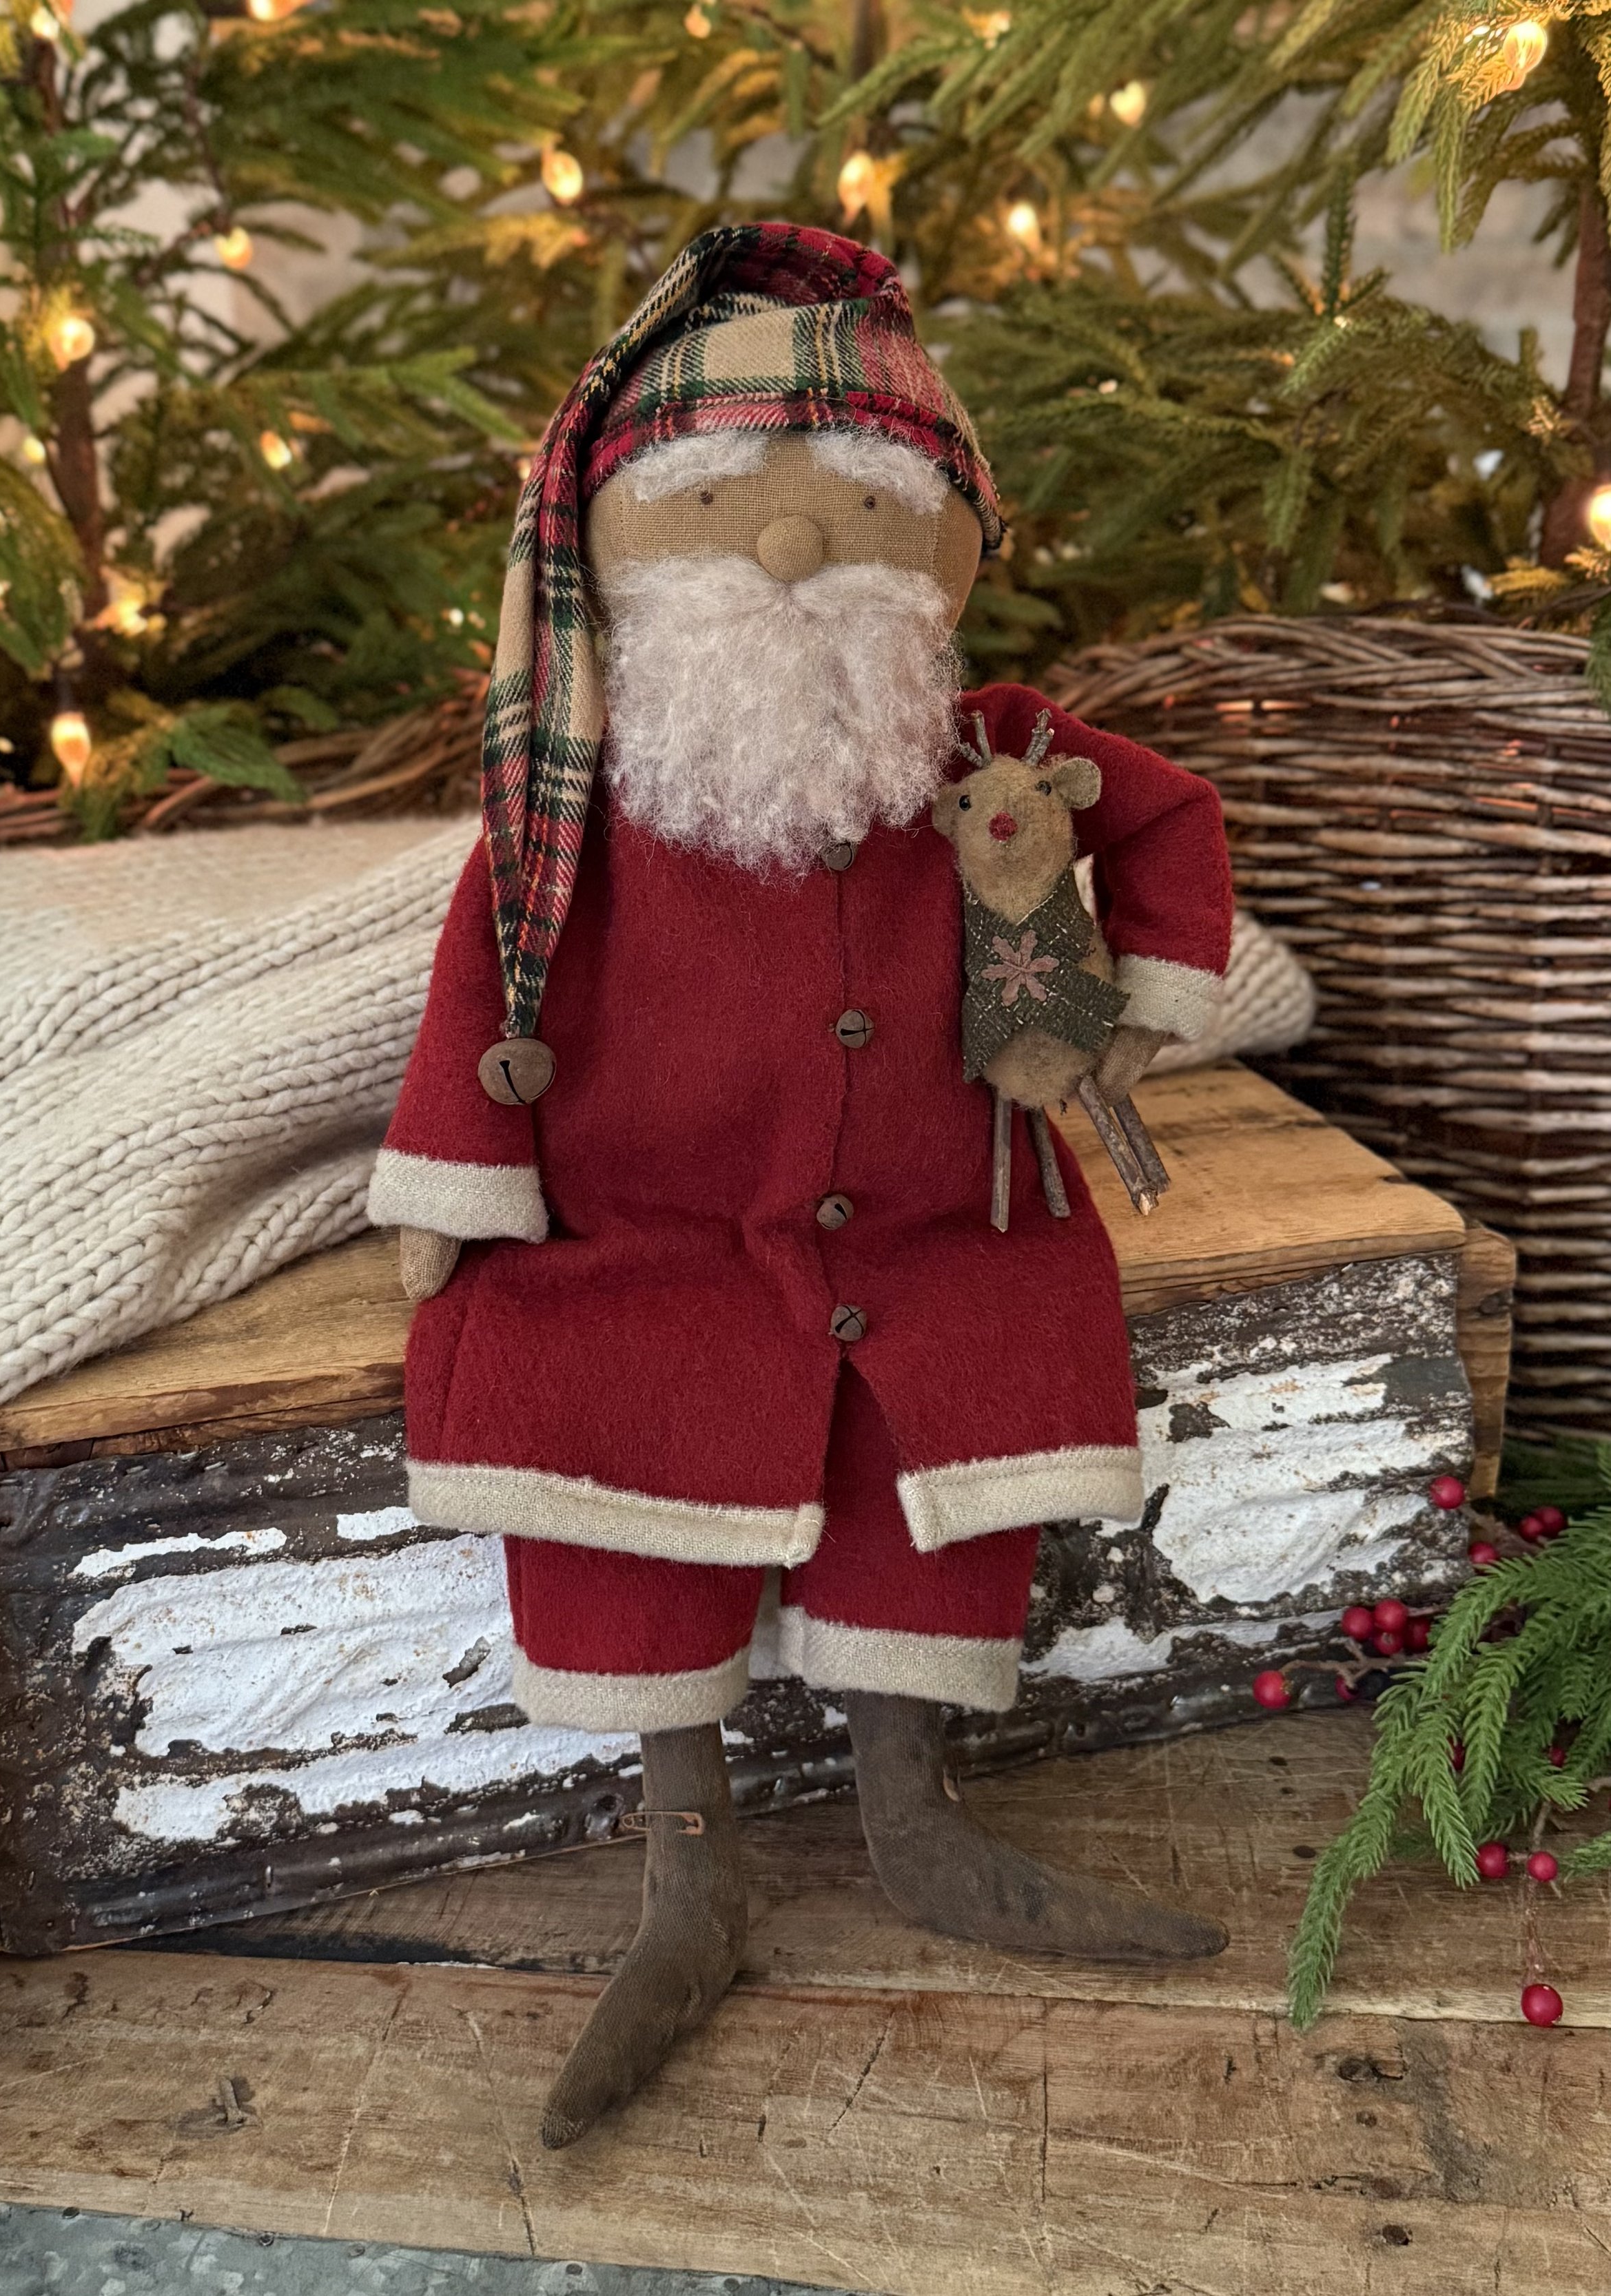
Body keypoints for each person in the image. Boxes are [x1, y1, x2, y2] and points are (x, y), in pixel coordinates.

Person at [369, 223, 1235, 2148]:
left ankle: (916, 1820)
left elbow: (1169, 818)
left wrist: (1141, 1015)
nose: (782, 550)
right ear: (611, 542)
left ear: (943, 547)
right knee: (596, 1422)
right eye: (712, 510)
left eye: (856, 507)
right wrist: (454, 1189)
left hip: (944, 1227)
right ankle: (690, 1880)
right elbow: (480, 980)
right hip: (647, 1238)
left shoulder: (985, 752)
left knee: (958, 1410)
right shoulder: (572, 809)